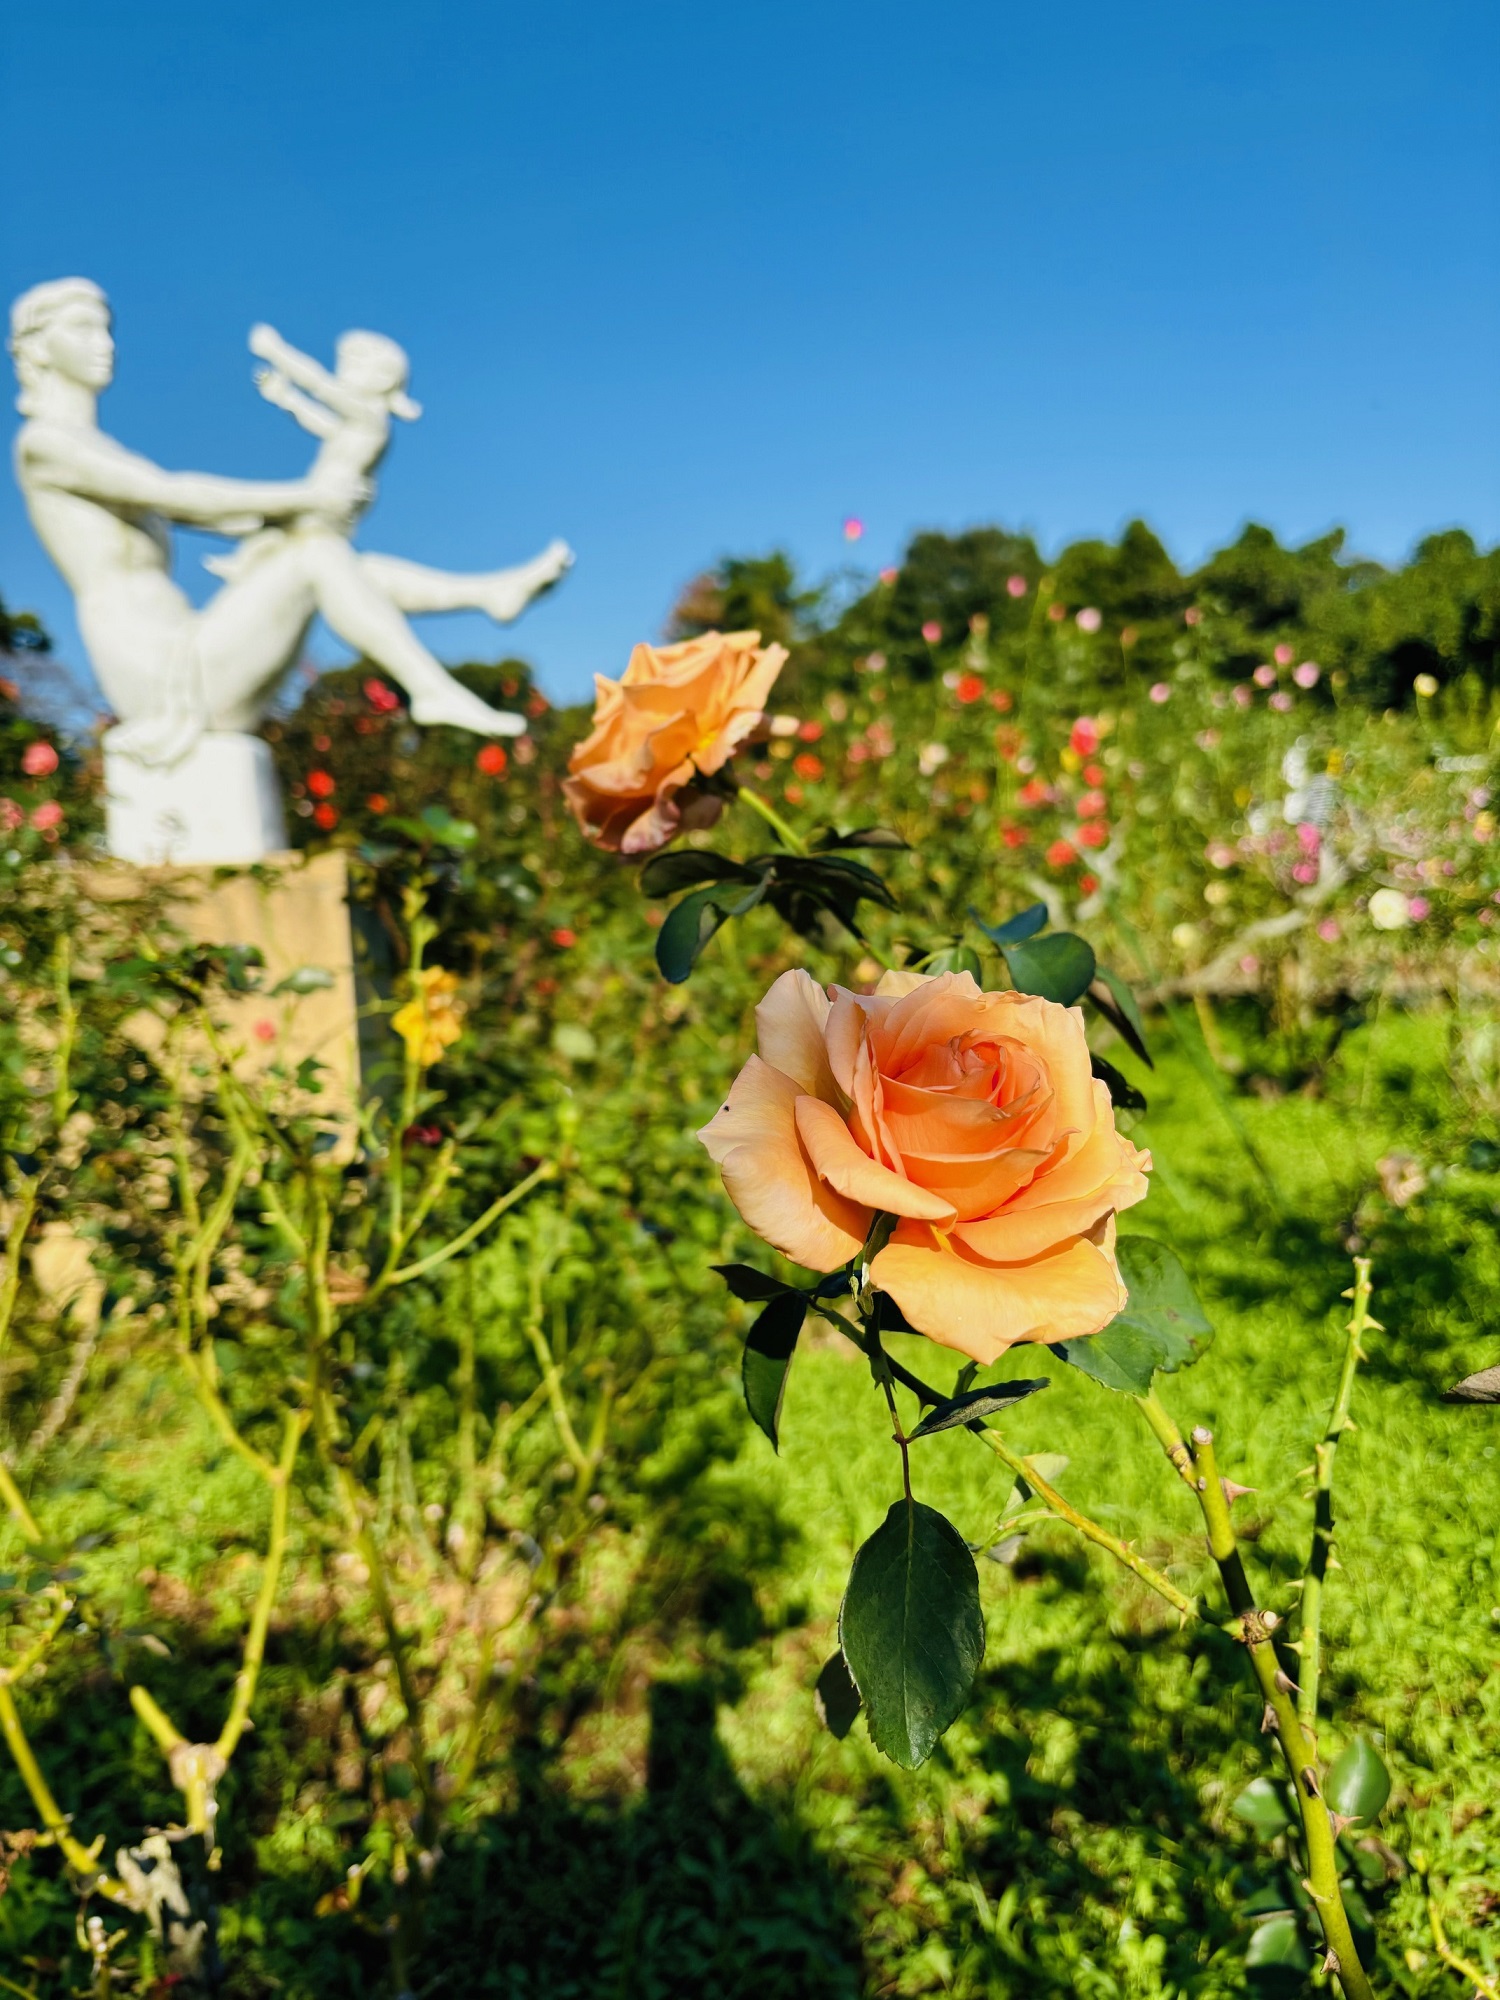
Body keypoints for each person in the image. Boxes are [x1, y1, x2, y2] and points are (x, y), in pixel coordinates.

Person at [10, 277, 572, 765]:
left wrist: (294, 514)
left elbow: (214, 512)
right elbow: (175, 494)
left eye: (106, 328)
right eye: (83, 329)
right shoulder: (46, 446)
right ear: (35, 349)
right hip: (157, 675)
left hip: (189, 648)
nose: (104, 344)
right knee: (314, 552)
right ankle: (434, 680)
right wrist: (310, 494)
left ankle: (487, 596)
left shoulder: (101, 450)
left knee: (325, 553)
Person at [205, 322, 420, 582]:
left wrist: (276, 351)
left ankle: (208, 514)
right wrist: (285, 398)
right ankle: (247, 563)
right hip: (328, 494)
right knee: (277, 528)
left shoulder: (369, 415)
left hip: (332, 495)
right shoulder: (355, 426)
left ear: (382, 379)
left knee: (254, 506)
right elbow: (321, 423)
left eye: (352, 366)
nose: (342, 372)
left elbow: (320, 386)